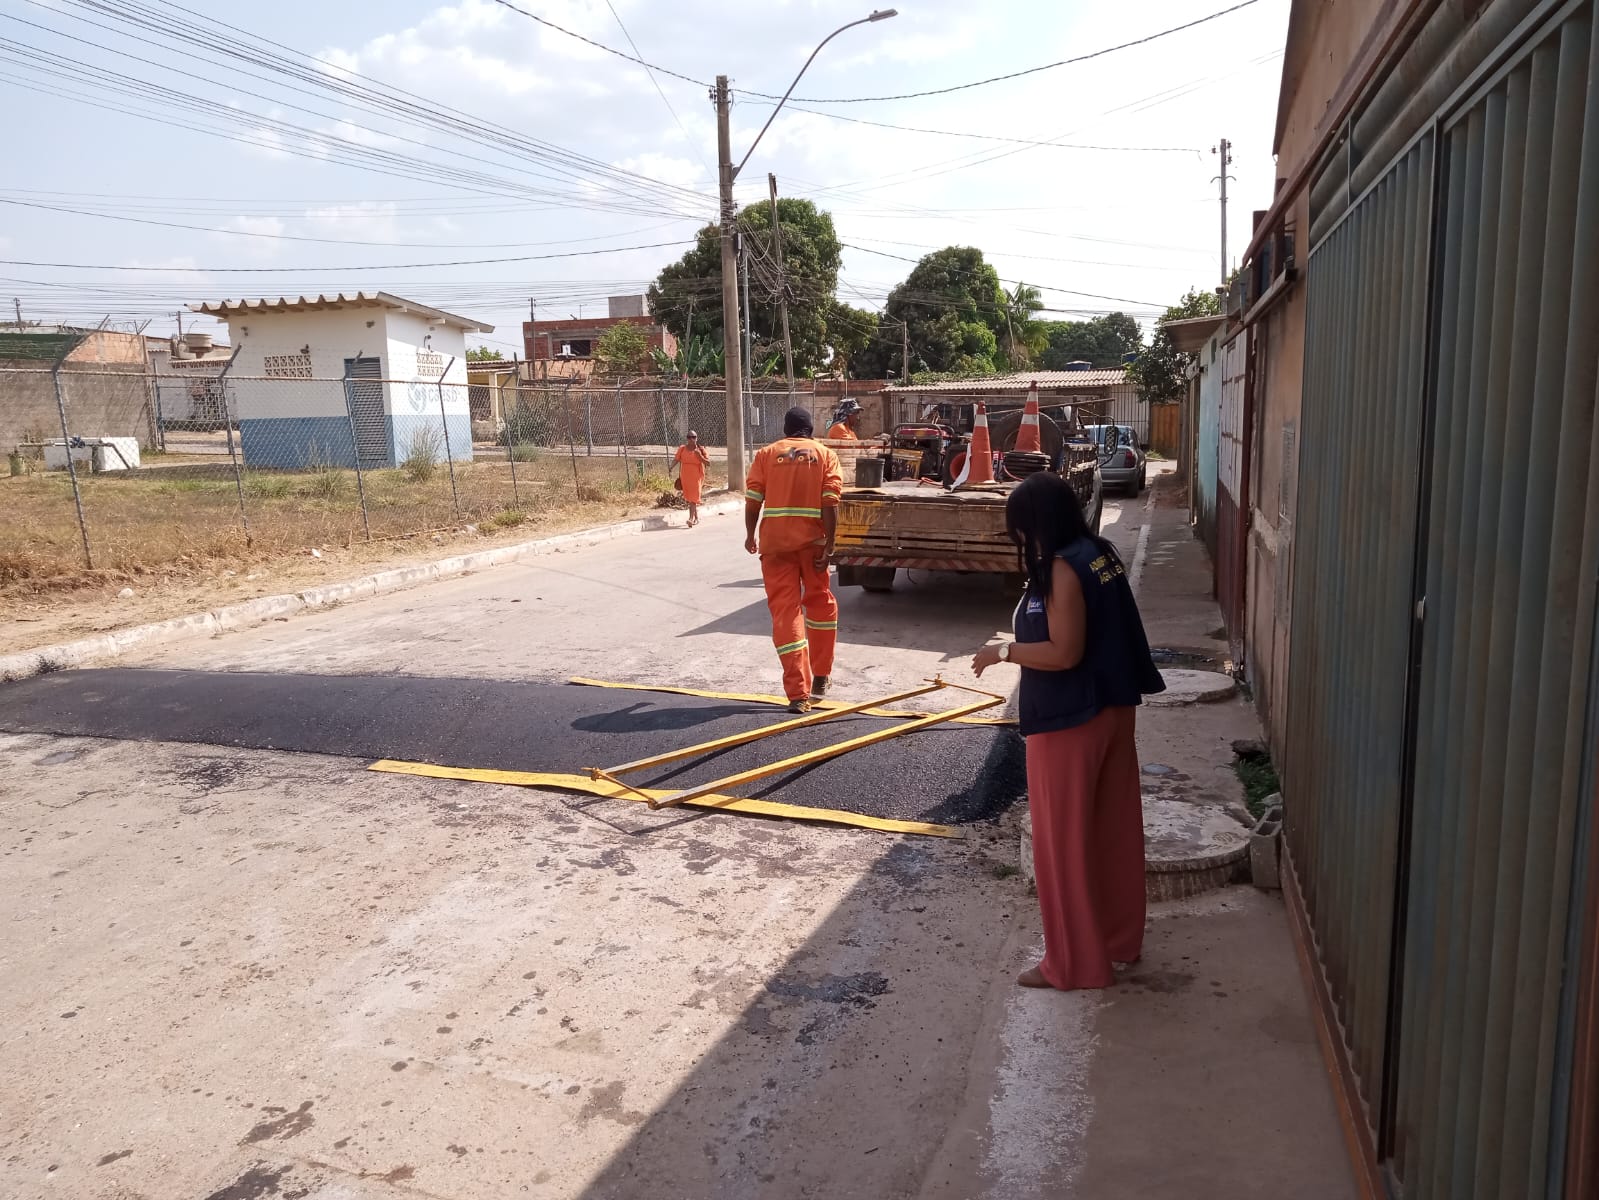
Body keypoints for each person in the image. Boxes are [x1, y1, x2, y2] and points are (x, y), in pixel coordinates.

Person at [970, 471, 1165, 991]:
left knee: (1063, 845)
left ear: (1038, 524)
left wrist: (1003, 651)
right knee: (1113, 831)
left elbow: (1064, 652)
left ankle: (1075, 964)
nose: (1020, 541)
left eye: (1022, 530)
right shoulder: (1098, 553)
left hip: (1071, 721)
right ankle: (1119, 940)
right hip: (1113, 710)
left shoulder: (1061, 569)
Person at [746, 407, 843, 713]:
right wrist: (830, 543)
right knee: (820, 606)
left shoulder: (766, 454)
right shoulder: (825, 455)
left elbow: (753, 502)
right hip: (813, 546)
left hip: (775, 547)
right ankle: (821, 676)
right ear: (810, 429)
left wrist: (750, 535)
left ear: (786, 429)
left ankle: (798, 695)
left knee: (786, 616)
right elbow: (830, 503)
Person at [673, 430, 710, 527]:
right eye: (689, 437)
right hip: (685, 476)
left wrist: (700, 457)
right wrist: (671, 467)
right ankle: (696, 518)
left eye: (693, 437)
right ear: (687, 438)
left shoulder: (700, 450)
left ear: (696, 438)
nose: (691, 439)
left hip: (697, 476)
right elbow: (676, 459)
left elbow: (708, 463)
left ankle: (690, 519)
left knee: (693, 497)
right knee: (690, 498)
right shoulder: (682, 449)